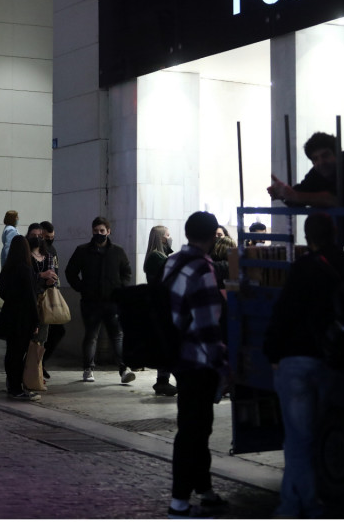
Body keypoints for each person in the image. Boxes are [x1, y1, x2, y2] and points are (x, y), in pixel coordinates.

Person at [263, 212, 344, 518]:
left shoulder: (302, 268)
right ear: (335, 232)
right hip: (333, 361)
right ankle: (293, 503)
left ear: (307, 237)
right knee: (313, 435)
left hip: (297, 361)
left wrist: (272, 354)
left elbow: (284, 313)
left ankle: (300, 508)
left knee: (298, 440)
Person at [164, 211, 229, 519]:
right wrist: (223, 365)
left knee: (197, 427)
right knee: (193, 430)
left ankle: (204, 489)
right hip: (198, 361)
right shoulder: (203, 268)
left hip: (178, 355)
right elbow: (207, 325)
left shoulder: (173, 261)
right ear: (212, 235)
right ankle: (179, 501)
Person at [65, 216, 135, 384]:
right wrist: (82, 288)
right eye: (96, 231)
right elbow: (70, 272)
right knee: (91, 336)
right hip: (91, 303)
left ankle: (124, 369)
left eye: (102, 231)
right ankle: (88, 369)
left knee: (117, 336)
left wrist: (121, 289)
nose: (99, 233)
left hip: (112, 303)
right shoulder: (82, 251)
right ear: (92, 231)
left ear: (108, 231)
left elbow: (126, 272)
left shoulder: (117, 252)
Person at [0, 235, 41, 401]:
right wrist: (36, 321)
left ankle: (12, 385)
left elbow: (2, 293)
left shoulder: (7, 270)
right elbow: (30, 297)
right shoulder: (25, 269)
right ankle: (16, 388)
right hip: (23, 318)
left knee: (11, 352)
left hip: (9, 314)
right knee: (19, 353)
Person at [267, 132, 344, 208]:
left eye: (325, 155)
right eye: (315, 159)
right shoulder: (316, 173)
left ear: (338, 155)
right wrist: (281, 194)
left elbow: (334, 199)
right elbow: (300, 193)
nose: (321, 162)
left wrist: (293, 195)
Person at [142, 225, 178, 397]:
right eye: (168, 235)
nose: (170, 238)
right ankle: (162, 381)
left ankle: (163, 380)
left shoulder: (158, 256)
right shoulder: (156, 257)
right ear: (161, 238)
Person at [27, 223, 58, 384]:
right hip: (29, 301)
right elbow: (26, 277)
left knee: (41, 339)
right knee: (29, 339)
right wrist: (41, 275)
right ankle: (26, 372)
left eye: (40, 236)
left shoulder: (48, 256)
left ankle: (36, 373)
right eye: (33, 235)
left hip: (44, 301)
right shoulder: (25, 255)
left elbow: (52, 277)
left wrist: (50, 279)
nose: (37, 238)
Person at [40, 221, 66, 378]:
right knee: (41, 334)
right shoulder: (36, 249)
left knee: (58, 331)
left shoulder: (52, 249)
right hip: (40, 295)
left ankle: (41, 361)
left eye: (52, 237)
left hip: (52, 294)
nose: (50, 240)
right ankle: (36, 364)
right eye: (47, 237)